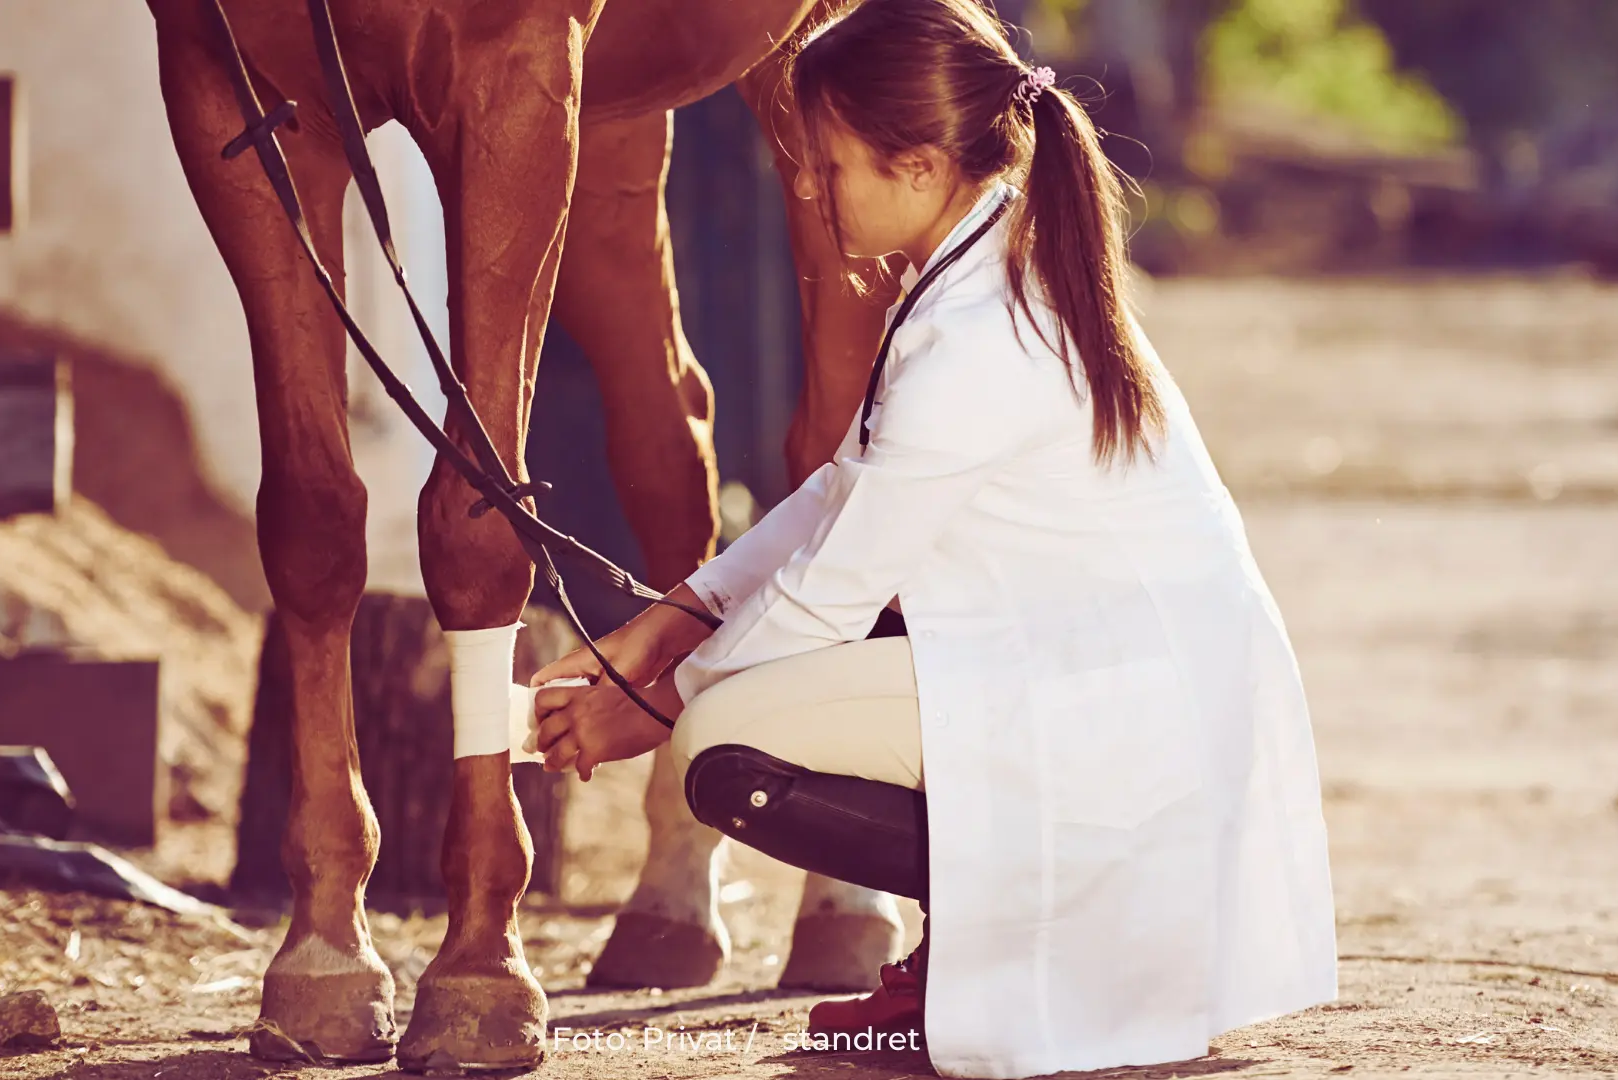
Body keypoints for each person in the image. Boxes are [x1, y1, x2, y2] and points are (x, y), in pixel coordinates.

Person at [528, 0, 1338, 1074]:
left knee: (718, 751)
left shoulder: (977, 338)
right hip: (1099, 681)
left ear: (915, 169)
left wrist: (650, 708)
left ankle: (999, 938)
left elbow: (832, 594)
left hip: (1117, 710)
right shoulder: (981, 268)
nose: (810, 191)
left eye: (830, 165)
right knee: (718, 704)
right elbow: (839, 497)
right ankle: (982, 935)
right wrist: (671, 620)